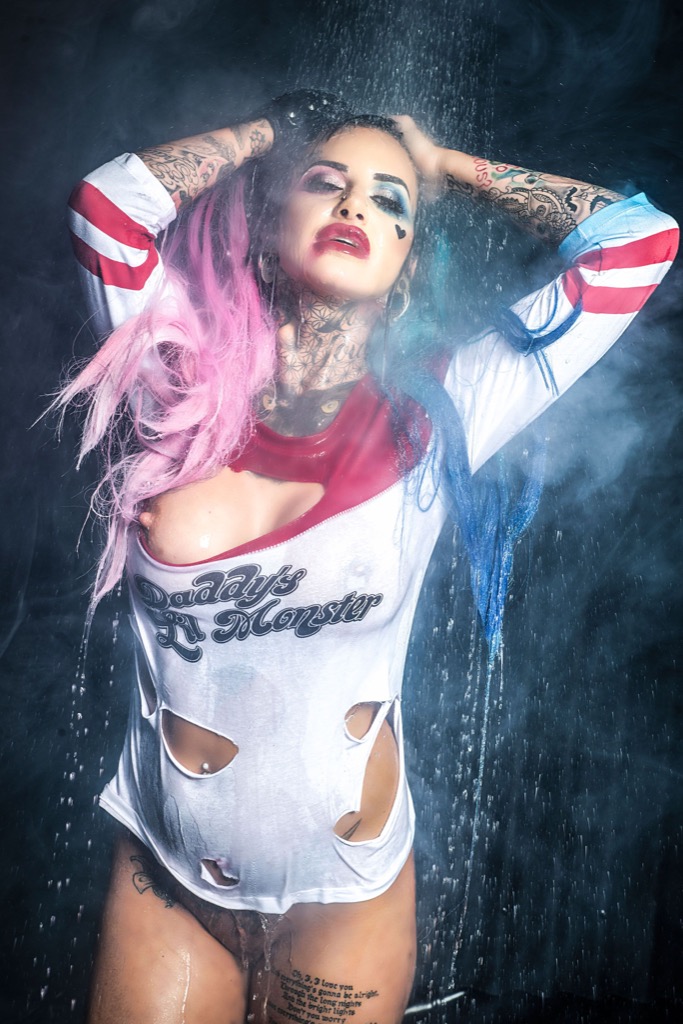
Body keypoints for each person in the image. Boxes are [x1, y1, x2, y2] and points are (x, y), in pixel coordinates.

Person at [61, 92, 677, 1024]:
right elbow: (108, 209)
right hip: (166, 881)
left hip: (344, 901)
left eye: (390, 202)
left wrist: (442, 165)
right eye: (325, 184)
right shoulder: (170, 376)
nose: (355, 204)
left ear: (405, 267)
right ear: (272, 223)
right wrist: (268, 136)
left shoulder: (440, 413)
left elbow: (637, 243)